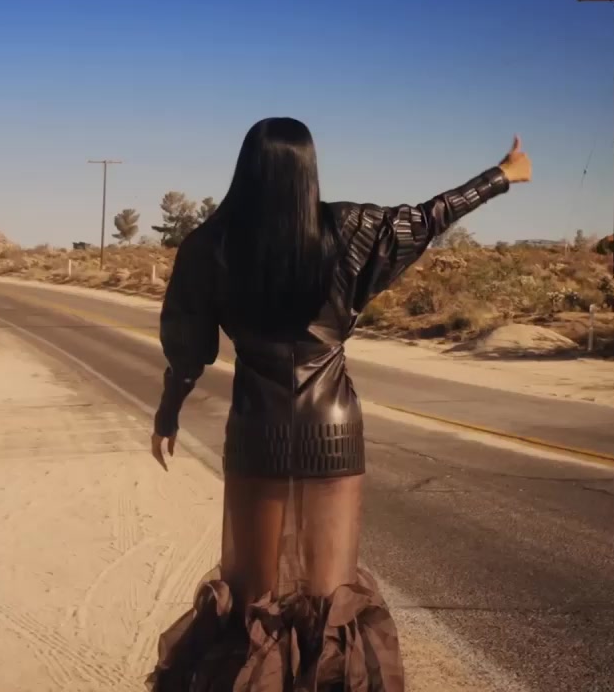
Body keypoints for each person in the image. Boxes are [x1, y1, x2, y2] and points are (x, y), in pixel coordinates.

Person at [146, 118, 531, 691]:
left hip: (258, 429)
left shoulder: (210, 245)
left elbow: (188, 349)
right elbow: (430, 216)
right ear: (309, 169)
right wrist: (501, 175)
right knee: (330, 605)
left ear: (246, 167)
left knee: (253, 603)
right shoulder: (350, 229)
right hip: (334, 431)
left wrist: (168, 414)